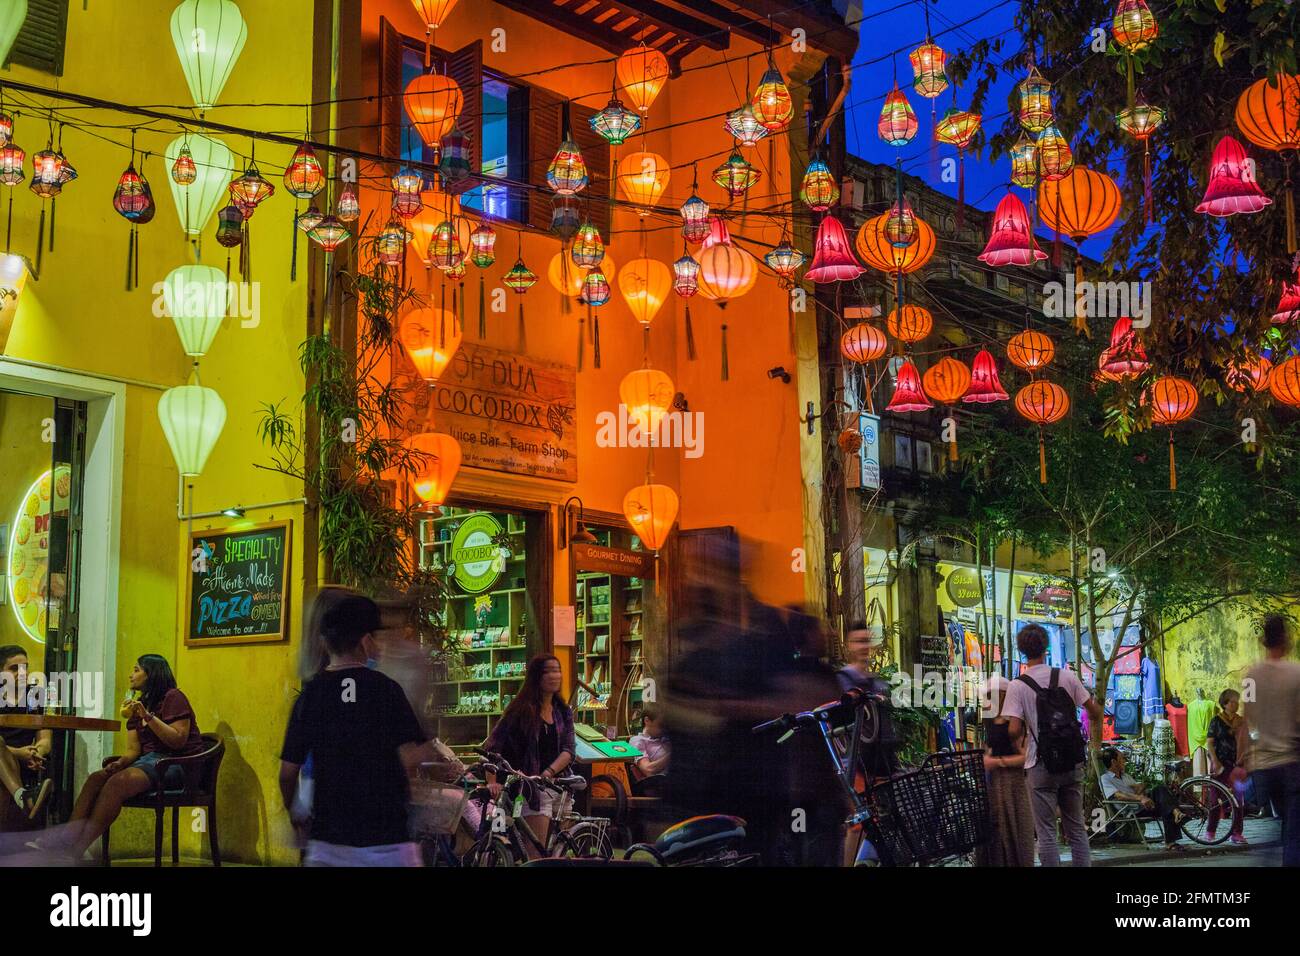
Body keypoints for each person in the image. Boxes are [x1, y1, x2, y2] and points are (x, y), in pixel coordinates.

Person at [280, 594, 445, 867]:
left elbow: (287, 773)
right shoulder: (387, 689)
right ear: (366, 642)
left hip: (328, 845)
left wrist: (294, 812)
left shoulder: (310, 695)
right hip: (388, 843)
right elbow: (412, 755)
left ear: (324, 643)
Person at [46, 654, 205, 860]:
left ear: (152, 674)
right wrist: (120, 762)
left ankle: (75, 852)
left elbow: (178, 740)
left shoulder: (173, 697)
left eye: (137, 670)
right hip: (150, 762)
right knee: (98, 778)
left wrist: (147, 716)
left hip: (177, 764)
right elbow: (134, 750)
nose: (131, 675)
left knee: (117, 784)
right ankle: (66, 843)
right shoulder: (138, 704)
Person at [1002, 622, 1103, 867]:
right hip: (1071, 761)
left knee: (1046, 832)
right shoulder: (1067, 677)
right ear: (1046, 646)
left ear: (1021, 651)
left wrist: (1021, 740)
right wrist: (1091, 742)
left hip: (1040, 764)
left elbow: (1013, 729)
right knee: (1076, 828)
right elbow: (1095, 712)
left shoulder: (1018, 685)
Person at [481, 655, 575, 859]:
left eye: (557, 670)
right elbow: (492, 747)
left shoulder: (562, 711)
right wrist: (492, 781)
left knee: (559, 849)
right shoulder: (520, 710)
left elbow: (569, 750)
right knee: (535, 853)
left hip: (560, 785)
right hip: (532, 789)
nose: (555, 675)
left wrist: (549, 772)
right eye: (548, 671)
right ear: (536, 677)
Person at [1242, 613, 1300, 867]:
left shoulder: (1250, 676)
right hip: (1291, 761)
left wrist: (1242, 760)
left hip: (1264, 766)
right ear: (1286, 639)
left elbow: (1247, 719)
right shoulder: (1295, 674)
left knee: (1284, 824)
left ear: (1263, 640)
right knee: (1294, 830)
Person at [976, 675, 1034, 867]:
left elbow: (1025, 756)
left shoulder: (1015, 722)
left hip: (1013, 784)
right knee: (996, 831)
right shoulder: (992, 722)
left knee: (1012, 829)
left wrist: (998, 762)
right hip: (995, 784)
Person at [0, 646, 53, 822]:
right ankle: (26, 799)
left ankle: (22, 798)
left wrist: (37, 753)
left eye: (25, 667)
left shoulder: (35, 695)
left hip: (22, 760)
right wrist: (18, 753)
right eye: (14, 668)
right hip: (13, 754)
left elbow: (45, 738)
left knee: (8, 769)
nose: (21, 673)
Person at [1099, 747, 1182, 849]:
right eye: (1122, 758)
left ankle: (1176, 814)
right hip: (1131, 810)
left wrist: (1141, 787)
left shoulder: (1125, 776)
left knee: (1161, 790)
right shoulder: (1105, 778)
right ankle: (1175, 820)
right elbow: (1118, 795)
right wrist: (1140, 798)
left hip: (1143, 805)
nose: (1124, 761)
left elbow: (1137, 789)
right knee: (1166, 803)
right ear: (1113, 761)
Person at [1207, 688, 1248, 844]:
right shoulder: (1216, 721)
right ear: (1224, 703)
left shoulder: (1241, 721)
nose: (1235, 704)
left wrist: (1243, 758)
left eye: (1237, 701)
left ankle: (1237, 833)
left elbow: (1247, 742)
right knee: (1214, 800)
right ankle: (1211, 832)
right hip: (1219, 765)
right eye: (1232, 701)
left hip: (1236, 765)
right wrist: (1215, 761)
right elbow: (1210, 743)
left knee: (1238, 800)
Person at [629, 707, 669, 778]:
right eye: (660, 724)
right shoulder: (638, 740)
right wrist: (673, 755)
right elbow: (647, 769)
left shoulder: (664, 738)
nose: (663, 728)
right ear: (647, 720)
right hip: (661, 783)